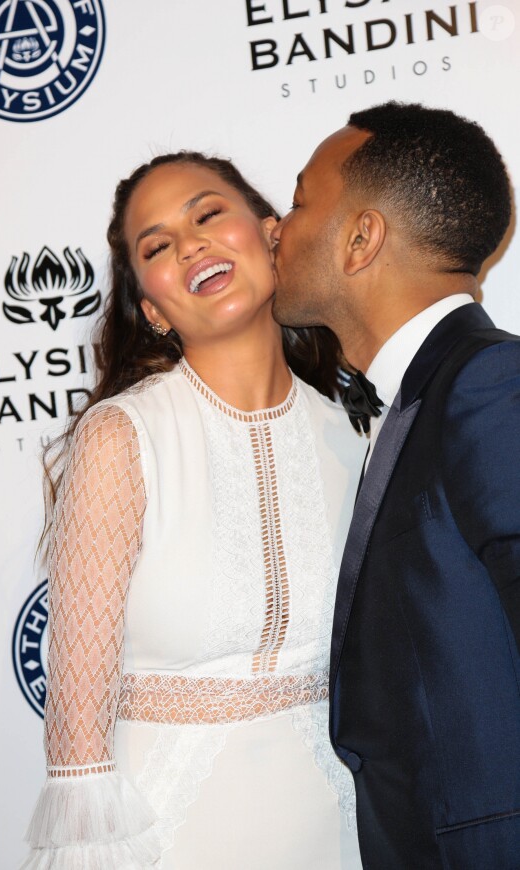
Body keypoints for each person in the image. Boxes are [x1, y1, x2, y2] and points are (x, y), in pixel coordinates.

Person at [22, 151, 365, 869]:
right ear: (151, 308)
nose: (190, 245)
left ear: (272, 236)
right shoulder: (124, 436)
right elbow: (78, 709)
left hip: (337, 825)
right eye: (156, 245)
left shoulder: (356, 432)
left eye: (208, 214)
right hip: (164, 833)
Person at [271, 101, 520, 868]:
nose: (278, 227)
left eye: (302, 199)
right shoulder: (417, 397)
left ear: (360, 237)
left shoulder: (487, 384)